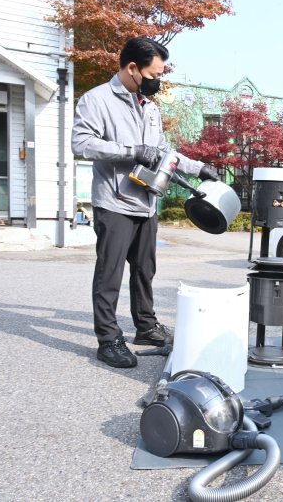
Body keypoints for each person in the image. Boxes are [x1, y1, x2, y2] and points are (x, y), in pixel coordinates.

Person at [71, 37, 218, 369]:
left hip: (146, 204)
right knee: (109, 273)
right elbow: (81, 144)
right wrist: (131, 150)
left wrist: (199, 170)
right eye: (154, 75)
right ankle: (108, 340)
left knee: (144, 270)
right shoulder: (96, 100)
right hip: (114, 202)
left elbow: (164, 152)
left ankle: (146, 328)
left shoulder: (149, 107)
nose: (157, 82)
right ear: (132, 68)